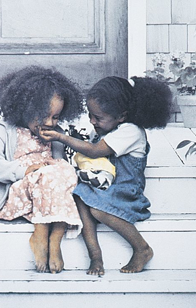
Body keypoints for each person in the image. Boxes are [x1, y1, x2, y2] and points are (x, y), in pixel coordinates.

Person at [38, 76, 172, 275]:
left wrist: (61, 137)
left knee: (99, 210)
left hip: (125, 190)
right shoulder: (108, 127)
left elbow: (93, 151)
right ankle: (95, 256)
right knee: (80, 198)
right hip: (105, 187)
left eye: (98, 118)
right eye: (90, 115)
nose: (92, 121)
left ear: (122, 116)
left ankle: (142, 248)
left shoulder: (131, 131)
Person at [0, 66, 85, 274]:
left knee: (65, 171)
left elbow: (60, 166)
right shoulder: (4, 131)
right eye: (44, 115)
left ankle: (56, 238)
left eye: (55, 117)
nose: (49, 122)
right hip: (15, 192)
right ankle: (41, 233)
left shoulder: (55, 133)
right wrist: (23, 171)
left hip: (46, 195)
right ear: (25, 107)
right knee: (48, 175)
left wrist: (58, 142)